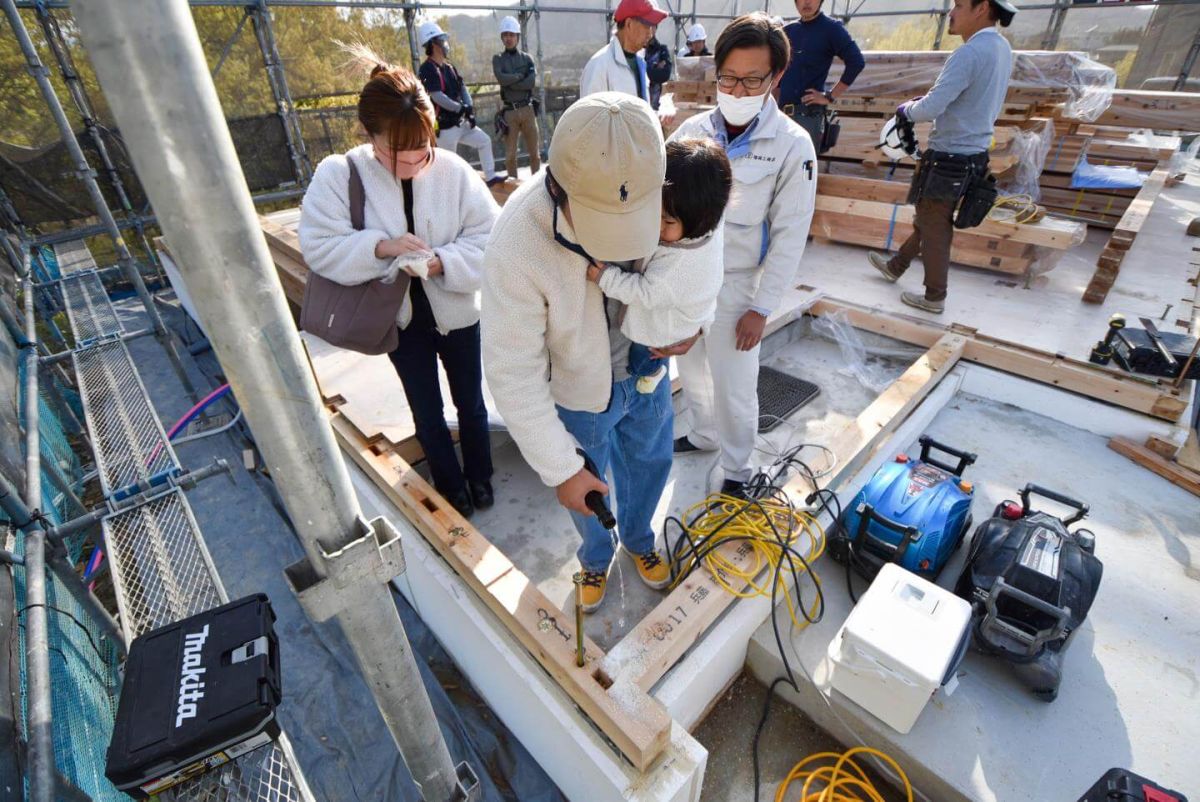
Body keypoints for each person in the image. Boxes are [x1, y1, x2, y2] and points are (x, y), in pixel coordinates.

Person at [482, 93, 691, 612]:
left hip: (648, 365)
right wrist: (560, 468)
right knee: (585, 481)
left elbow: (700, 264)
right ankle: (596, 557)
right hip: (578, 387)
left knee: (649, 460)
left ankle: (640, 540)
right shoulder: (516, 240)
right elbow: (512, 370)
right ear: (558, 185)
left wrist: (691, 327)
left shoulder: (670, 188)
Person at [300, 59, 500, 518]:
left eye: (423, 149)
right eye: (400, 153)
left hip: (457, 313)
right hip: (398, 319)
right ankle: (451, 487)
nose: (414, 162)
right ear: (370, 135)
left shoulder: (452, 170)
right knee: (426, 411)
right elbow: (318, 247)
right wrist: (382, 247)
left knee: (470, 402)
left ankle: (481, 477)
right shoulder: (340, 173)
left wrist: (440, 262)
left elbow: (492, 240)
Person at [670, 13, 818, 497]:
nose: (737, 90)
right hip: (687, 274)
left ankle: (737, 468)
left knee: (735, 383)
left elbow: (790, 235)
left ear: (775, 78)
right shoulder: (691, 131)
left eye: (752, 80)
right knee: (691, 368)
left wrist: (761, 307)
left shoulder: (793, 147)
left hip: (737, 284)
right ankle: (702, 433)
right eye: (728, 78)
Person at [865, 0, 1016, 315]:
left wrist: (906, 109)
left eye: (959, 5)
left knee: (934, 226)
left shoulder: (969, 53)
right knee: (930, 219)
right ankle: (896, 265)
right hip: (973, 154)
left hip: (949, 157)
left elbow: (932, 108)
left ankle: (934, 297)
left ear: (981, 8)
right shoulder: (1001, 49)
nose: (951, 12)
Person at [585, 138, 731, 395]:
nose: (657, 226)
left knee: (646, 357)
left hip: (664, 331)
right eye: (654, 212)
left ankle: (650, 376)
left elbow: (645, 292)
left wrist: (605, 277)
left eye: (667, 221)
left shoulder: (678, 264)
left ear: (698, 220)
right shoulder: (708, 220)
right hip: (683, 317)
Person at [417, 21, 506, 186]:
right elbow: (437, 97)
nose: (445, 44)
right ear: (433, 44)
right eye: (442, 40)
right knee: (448, 166)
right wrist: (460, 108)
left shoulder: (449, 67)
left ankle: (490, 176)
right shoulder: (427, 69)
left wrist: (469, 108)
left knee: (484, 141)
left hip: (460, 122)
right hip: (445, 129)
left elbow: (462, 88)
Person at [776, 0, 864, 147]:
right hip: (782, 115)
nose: (807, 2)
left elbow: (856, 62)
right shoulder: (789, 30)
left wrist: (829, 96)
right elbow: (779, 70)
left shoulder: (831, 29)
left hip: (807, 116)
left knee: (803, 167)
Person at [579, 0, 674, 125]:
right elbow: (590, 123)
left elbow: (639, 111)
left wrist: (659, 112)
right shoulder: (599, 66)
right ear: (629, 24)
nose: (650, 34)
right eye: (647, 26)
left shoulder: (640, 62)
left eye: (652, 27)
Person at [492, 16, 541, 179]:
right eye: (505, 34)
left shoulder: (527, 58)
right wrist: (521, 77)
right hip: (510, 113)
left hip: (527, 110)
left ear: (517, 37)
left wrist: (511, 81)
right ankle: (513, 189)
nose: (508, 38)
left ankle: (537, 187)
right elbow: (501, 78)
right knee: (510, 156)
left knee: (535, 154)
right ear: (501, 37)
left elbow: (532, 82)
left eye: (512, 34)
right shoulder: (498, 59)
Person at [644, 33, 673, 111]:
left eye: (652, 25)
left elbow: (664, 75)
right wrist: (654, 68)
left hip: (657, 105)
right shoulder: (635, 52)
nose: (649, 29)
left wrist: (644, 70)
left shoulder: (662, 50)